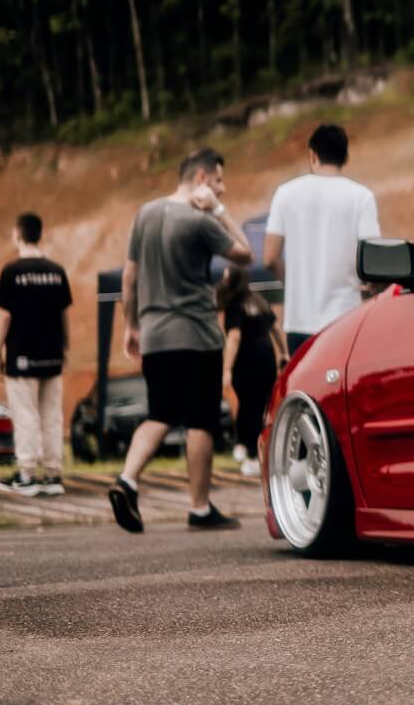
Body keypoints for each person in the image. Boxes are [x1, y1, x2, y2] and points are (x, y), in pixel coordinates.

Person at [109, 148, 252, 533]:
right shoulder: (199, 220)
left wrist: (131, 326)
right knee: (200, 421)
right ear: (202, 179)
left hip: (154, 334)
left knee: (159, 413)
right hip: (197, 335)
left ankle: (127, 479)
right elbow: (245, 254)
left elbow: (129, 276)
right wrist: (218, 212)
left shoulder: (146, 213)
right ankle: (200, 507)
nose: (223, 189)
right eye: (219, 181)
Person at [264, 123, 380, 354]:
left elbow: (269, 258)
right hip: (345, 317)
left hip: (298, 321)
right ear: (345, 157)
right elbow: (373, 259)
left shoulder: (285, 194)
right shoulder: (361, 197)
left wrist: (294, 285)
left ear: (312, 155)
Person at [0, 213, 73, 497]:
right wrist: (66, 347)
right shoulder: (57, 270)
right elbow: (64, 315)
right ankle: (53, 475)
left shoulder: (12, 271)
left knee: (26, 414)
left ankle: (27, 474)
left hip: (21, 355)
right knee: (52, 415)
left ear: (18, 234)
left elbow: (4, 316)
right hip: (52, 354)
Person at [219, 265, 284, 477]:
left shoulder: (234, 305)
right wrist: (283, 353)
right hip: (266, 358)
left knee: (247, 407)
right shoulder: (258, 301)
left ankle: (252, 455)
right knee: (263, 406)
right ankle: (256, 450)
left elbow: (234, 337)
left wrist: (227, 368)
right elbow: (275, 328)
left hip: (245, 361)